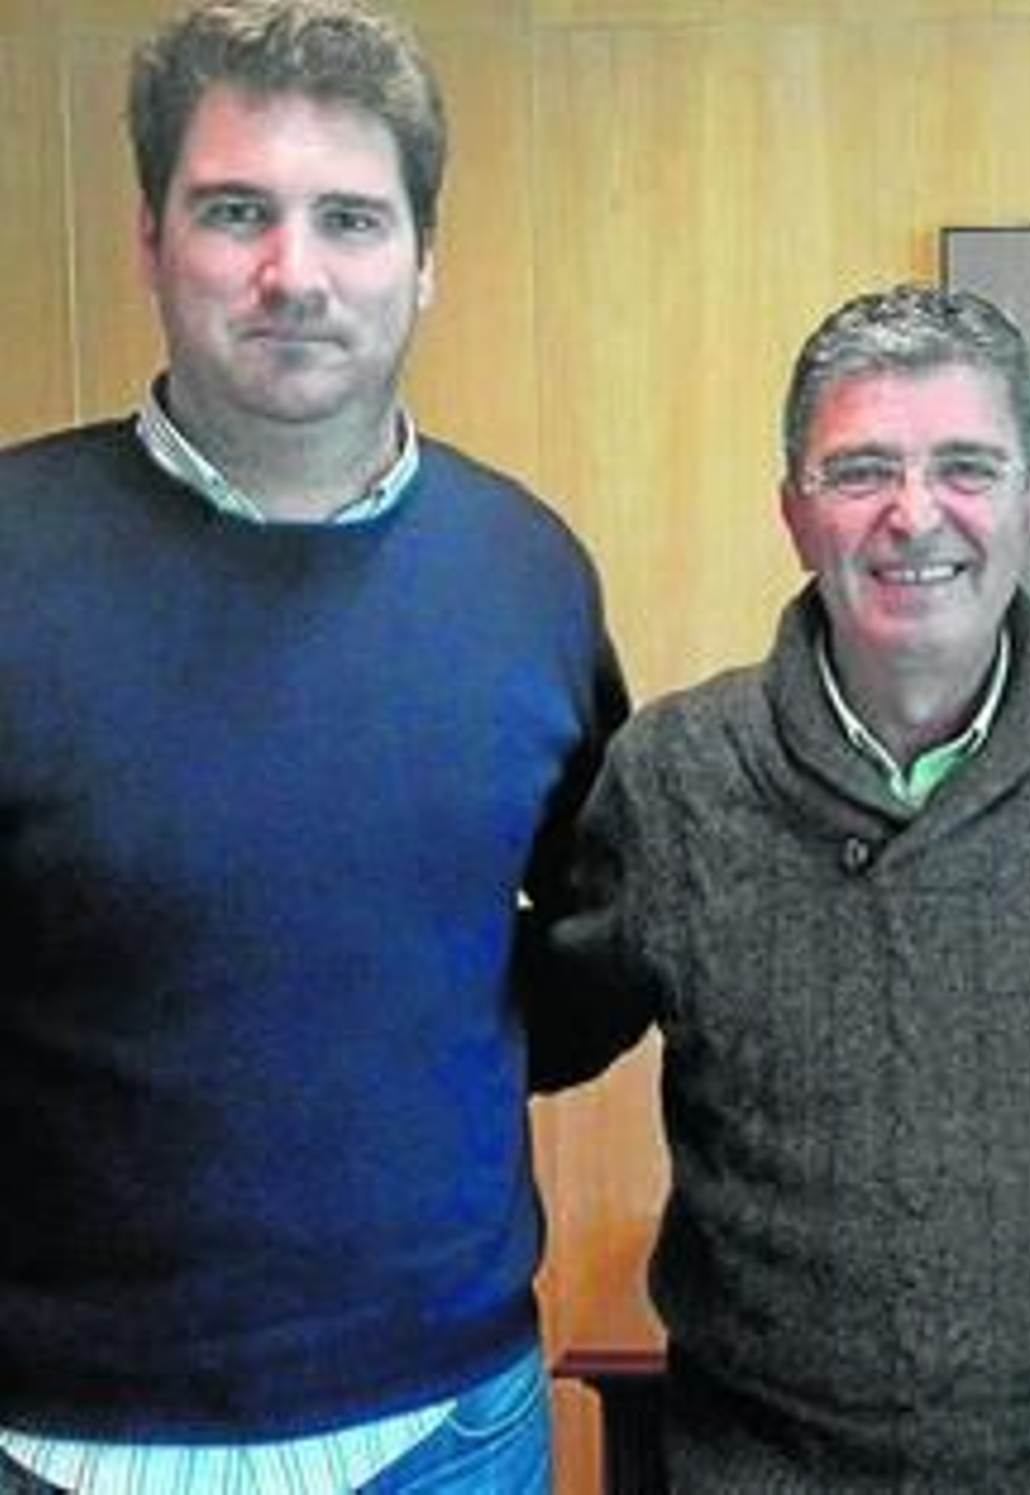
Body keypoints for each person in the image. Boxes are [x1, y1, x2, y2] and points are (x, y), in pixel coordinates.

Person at [0, 2, 626, 1491]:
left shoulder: (527, 572)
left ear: (424, 258)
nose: (295, 272)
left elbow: (596, 944)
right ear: (151, 239)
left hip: (445, 1426)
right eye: (236, 212)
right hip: (47, 1433)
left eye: (350, 217)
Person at [530, 284, 1030, 1491]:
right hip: (762, 1473)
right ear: (794, 516)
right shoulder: (676, 774)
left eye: (966, 466)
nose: (914, 514)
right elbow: (525, 1030)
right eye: (860, 472)